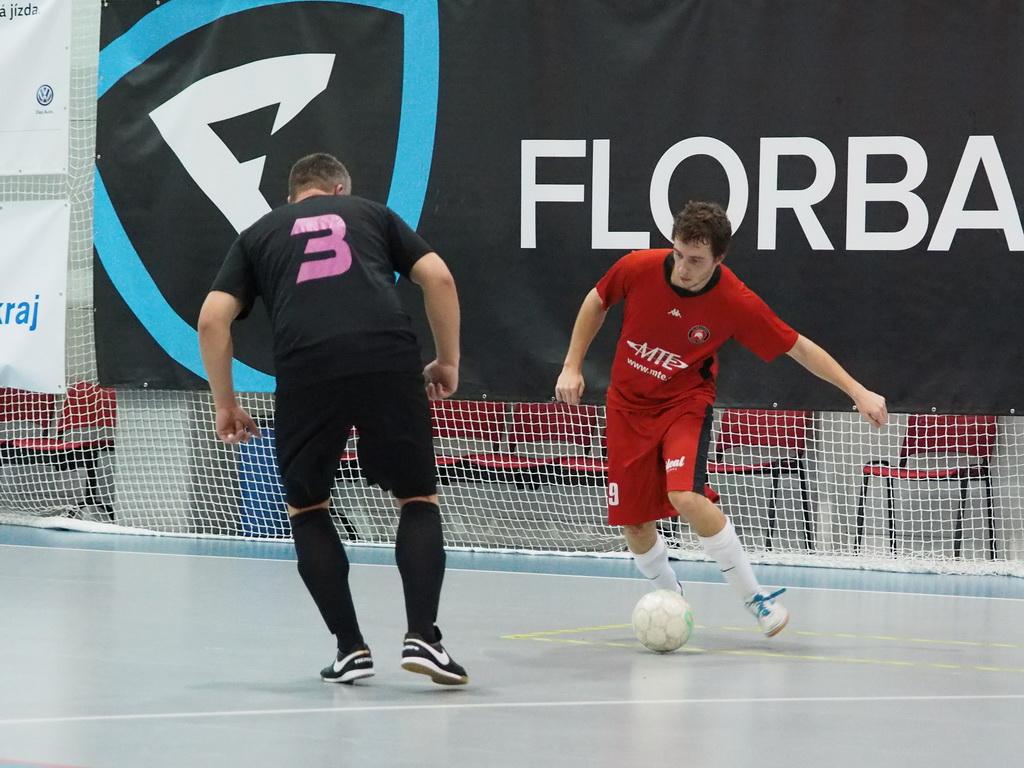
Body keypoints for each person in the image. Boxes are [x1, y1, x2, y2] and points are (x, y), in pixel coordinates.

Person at [555, 201, 887, 637]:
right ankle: (672, 599)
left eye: (696, 260)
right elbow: (597, 300)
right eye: (678, 254)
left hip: (684, 404)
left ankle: (755, 597)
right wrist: (572, 365)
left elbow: (798, 347)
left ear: (719, 259)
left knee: (685, 496)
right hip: (627, 407)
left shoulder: (734, 300)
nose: (683, 268)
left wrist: (857, 390)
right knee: (634, 524)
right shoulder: (638, 267)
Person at [198, 152, 468, 684]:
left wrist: (225, 403)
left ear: (291, 196)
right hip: (386, 356)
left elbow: (211, 320)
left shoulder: (259, 234)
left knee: (307, 507)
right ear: (340, 189)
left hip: (307, 367)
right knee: (416, 497)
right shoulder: (372, 214)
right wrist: (448, 362)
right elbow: (438, 278)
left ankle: (350, 648)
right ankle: (423, 637)